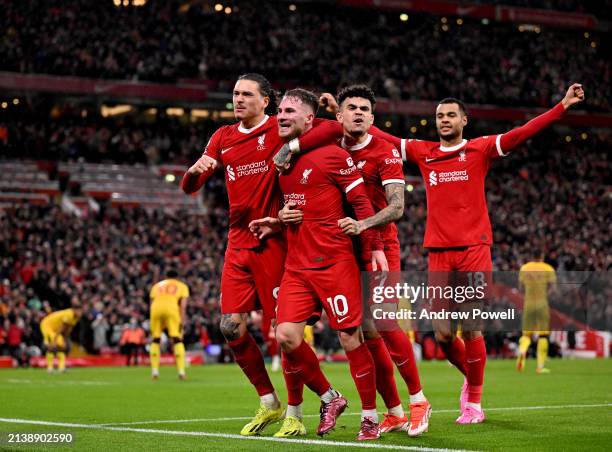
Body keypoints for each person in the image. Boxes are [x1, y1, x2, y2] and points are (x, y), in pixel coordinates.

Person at [278, 83, 585, 424]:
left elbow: (521, 132)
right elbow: (377, 135)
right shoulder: (424, 152)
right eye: (439, 116)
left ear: (464, 120)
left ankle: (473, 400)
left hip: (473, 247)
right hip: (438, 249)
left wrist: (562, 106)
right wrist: (340, 109)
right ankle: (466, 380)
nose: (444, 120)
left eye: (451, 115)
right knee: (440, 334)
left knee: (470, 326)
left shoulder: (480, 149)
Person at [181, 74, 359, 435]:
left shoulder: (279, 131)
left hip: (275, 242)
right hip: (237, 241)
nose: (239, 99)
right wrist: (191, 174)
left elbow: (331, 129)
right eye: (235, 93)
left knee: (281, 332)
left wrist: (290, 148)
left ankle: (297, 411)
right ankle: (269, 402)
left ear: (267, 102)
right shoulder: (223, 137)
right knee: (230, 326)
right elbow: (191, 187)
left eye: (247, 94)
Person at [278, 84, 431, 437]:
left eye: (365, 109)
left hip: (379, 244)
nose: (358, 113)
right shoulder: (327, 145)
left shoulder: (384, 152)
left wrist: (366, 229)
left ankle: (418, 399)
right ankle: (392, 411)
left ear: (372, 118)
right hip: (345, 246)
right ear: (340, 116)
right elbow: (317, 131)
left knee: (385, 323)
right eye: (352, 108)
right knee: (368, 334)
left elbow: (397, 207)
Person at [250, 88, 388, 441]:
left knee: (349, 337)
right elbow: (297, 208)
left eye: (290, 111)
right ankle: (330, 397)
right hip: (297, 266)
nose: (281, 116)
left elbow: (361, 204)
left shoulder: (332, 155)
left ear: (310, 120)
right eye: (279, 110)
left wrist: (372, 247)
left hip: (334, 262)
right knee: (286, 336)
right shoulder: (282, 162)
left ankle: (370, 417)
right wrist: (278, 219)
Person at [517, 250, 557, 373]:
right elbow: (553, 288)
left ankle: (523, 351)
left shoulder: (525, 268)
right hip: (542, 303)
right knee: (543, 335)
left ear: (532, 256)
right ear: (542, 256)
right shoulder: (548, 268)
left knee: (526, 334)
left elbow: (520, 287)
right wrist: (546, 295)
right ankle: (540, 366)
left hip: (528, 304)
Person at [149, 269, 189, 380]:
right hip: (172, 310)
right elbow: (183, 305)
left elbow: (152, 303)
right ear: (177, 277)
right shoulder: (182, 286)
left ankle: (155, 372)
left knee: (155, 339)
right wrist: (182, 320)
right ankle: (181, 372)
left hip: (155, 310)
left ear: (166, 276)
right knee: (177, 339)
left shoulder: (156, 286)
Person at [40, 299, 83, 373]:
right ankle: (50, 368)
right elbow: (62, 328)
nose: (80, 313)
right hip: (47, 325)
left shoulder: (76, 318)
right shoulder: (69, 314)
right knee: (52, 346)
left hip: (55, 329)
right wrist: (55, 340)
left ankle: (61, 368)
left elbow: (68, 330)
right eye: (78, 311)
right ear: (74, 310)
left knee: (61, 345)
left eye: (81, 311)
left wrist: (65, 340)